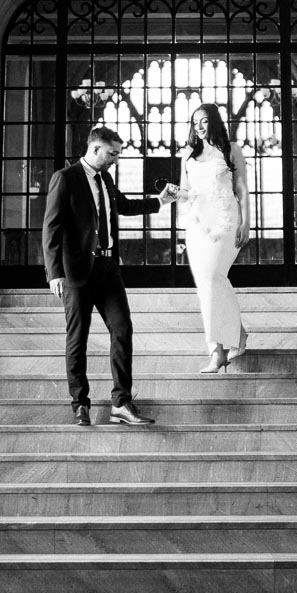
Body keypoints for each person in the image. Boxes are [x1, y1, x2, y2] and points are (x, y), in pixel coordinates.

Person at [43, 125, 173, 426]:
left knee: (123, 328)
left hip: (107, 269)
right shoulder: (65, 178)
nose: (115, 159)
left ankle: (121, 403)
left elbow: (124, 205)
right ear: (96, 148)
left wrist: (160, 201)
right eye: (112, 153)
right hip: (76, 272)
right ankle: (80, 404)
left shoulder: (106, 178)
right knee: (78, 339)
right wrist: (54, 273)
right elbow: (51, 227)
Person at [175, 103, 250, 373]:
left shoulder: (231, 149)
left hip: (227, 220)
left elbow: (241, 188)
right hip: (197, 224)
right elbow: (185, 192)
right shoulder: (188, 155)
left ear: (214, 122)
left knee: (213, 277)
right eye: (195, 122)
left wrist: (246, 222)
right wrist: (174, 195)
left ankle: (227, 344)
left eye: (204, 121)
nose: (199, 127)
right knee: (207, 283)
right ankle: (219, 348)